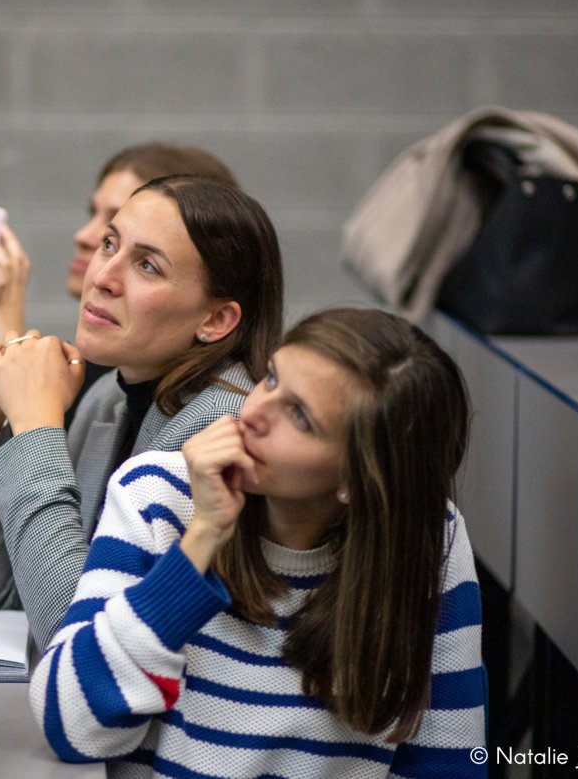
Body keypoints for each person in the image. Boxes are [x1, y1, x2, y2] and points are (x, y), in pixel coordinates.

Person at [31, 307, 486, 777]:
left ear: (357, 480)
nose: (252, 413)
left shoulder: (430, 540)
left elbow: (446, 765)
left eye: (300, 416)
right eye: (271, 379)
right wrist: (202, 538)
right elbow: (72, 727)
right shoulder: (158, 494)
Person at [0, 176, 285, 649]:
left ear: (216, 319)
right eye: (109, 245)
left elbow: (76, 637)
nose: (102, 277)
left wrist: (36, 427)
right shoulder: (109, 401)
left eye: (147, 265)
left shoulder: (220, 429)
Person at [0, 143, 240, 458]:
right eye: (110, 240)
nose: (84, 236)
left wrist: (8, 342)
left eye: (147, 263)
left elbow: (38, 485)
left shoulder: (215, 418)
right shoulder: (107, 391)